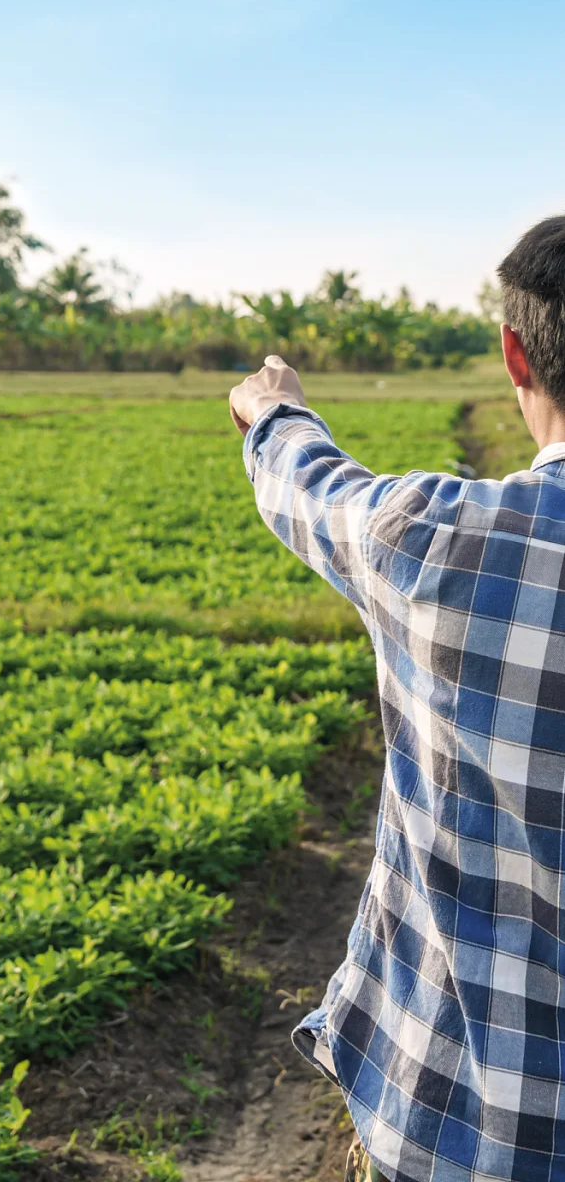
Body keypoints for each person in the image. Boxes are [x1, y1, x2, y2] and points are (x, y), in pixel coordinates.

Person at [229, 216, 565, 1182]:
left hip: (448, 1123)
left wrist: (277, 409)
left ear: (514, 351)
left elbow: (309, 485)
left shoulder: (429, 537)